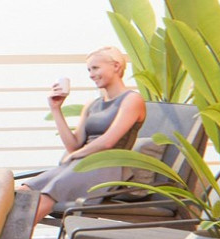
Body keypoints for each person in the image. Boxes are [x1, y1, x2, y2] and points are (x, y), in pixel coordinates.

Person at [32, 46, 149, 221]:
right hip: (82, 164)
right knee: (26, 191)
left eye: (95, 68)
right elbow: (73, 145)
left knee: (47, 195)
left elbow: (108, 142)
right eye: (89, 70)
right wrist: (56, 109)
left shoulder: (132, 100)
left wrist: (75, 156)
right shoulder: (92, 104)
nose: (91, 74)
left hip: (108, 167)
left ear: (116, 67)